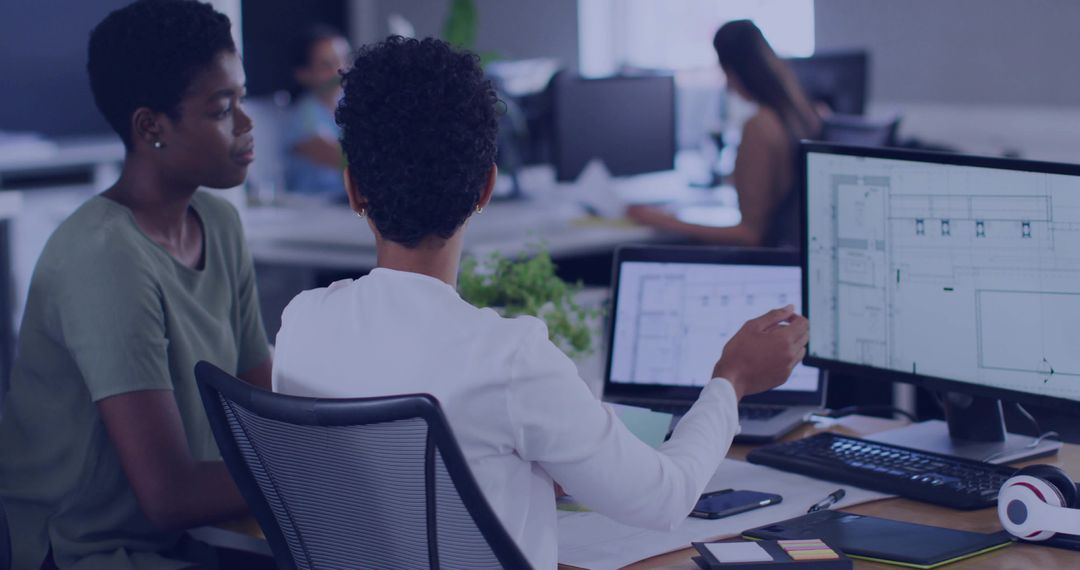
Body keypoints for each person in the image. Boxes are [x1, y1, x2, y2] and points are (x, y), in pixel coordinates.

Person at [271, 36, 809, 569]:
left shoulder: (301, 326)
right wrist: (731, 380)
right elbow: (665, 496)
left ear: (353, 190)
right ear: (485, 189)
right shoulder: (509, 358)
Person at [0, 2, 273, 568]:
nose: (247, 125)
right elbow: (168, 494)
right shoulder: (104, 257)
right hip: (87, 550)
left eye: (242, 100)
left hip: (189, 535)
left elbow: (261, 406)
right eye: (223, 109)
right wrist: (335, 467)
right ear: (151, 127)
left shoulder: (219, 223)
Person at [628, 20, 823, 248]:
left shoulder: (759, 126)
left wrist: (665, 221)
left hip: (763, 262)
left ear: (734, 71)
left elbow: (751, 235)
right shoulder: (801, 113)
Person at [283, 25, 351, 197]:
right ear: (303, 73)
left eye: (344, 60)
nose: (341, 71)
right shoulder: (303, 115)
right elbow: (341, 158)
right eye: (327, 65)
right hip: (314, 211)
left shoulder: (349, 108)